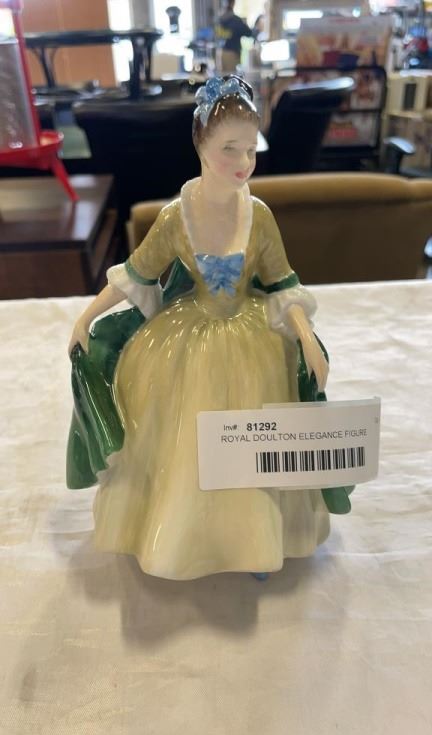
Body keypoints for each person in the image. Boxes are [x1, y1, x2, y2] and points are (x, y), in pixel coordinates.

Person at [67, 76, 342, 582]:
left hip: (251, 334)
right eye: (229, 148)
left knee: (256, 433)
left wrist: (305, 336)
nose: (243, 162)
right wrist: (87, 316)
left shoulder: (258, 215)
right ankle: (185, 537)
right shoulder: (177, 216)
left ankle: (256, 540)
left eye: (250, 149)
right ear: (200, 146)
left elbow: (282, 281)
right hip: (188, 334)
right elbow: (136, 273)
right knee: (182, 436)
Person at [215, 0, 253, 73]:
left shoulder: (219, 19)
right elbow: (249, 33)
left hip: (220, 52)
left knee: (222, 77)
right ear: (233, 3)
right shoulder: (236, 20)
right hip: (231, 53)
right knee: (231, 77)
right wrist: (245, 23)